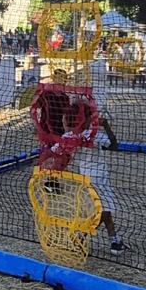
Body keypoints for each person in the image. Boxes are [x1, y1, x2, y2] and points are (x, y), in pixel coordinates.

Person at [56, 106, 125, 256]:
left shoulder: (70, 136)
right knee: (105, 210)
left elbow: (56, 150)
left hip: (87, 179)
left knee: (104, 208)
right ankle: (81, 236)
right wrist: (106, 126)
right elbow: (114, 145)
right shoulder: (91, 135)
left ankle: (114, 240)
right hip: (98, 178)